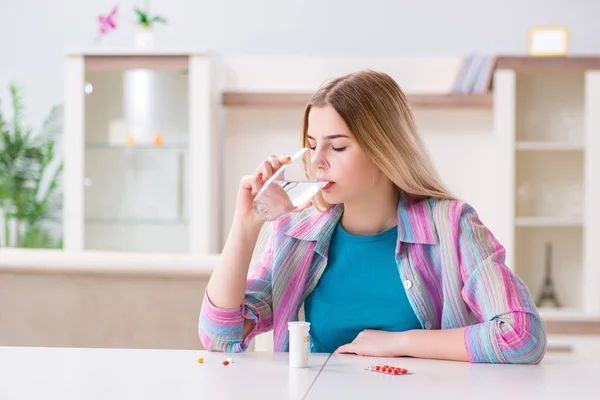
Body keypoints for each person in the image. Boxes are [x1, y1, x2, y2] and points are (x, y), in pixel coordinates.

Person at [198, 70, 547, 364]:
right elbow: (219, 337)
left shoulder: (451, 227)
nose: (317, 161)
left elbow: (521, 335)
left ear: (384, 148)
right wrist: (245, 226)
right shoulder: (296, 233)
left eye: (337, 146)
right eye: (311, 144)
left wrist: (399, 344)